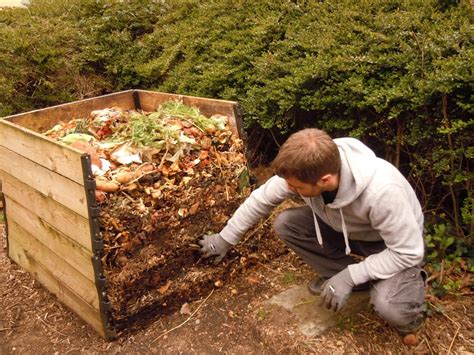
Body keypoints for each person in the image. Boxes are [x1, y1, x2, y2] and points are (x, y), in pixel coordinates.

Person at [199, 128, 426, 335]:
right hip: (349, 231)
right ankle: (355, 282)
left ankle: (407, 310)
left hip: (392, 245)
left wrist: (351, 275)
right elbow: (261, 199)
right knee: (287, 223)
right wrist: (224, 238)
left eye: (296, 188)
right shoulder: (307, 168)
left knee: (389, 305)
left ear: (325, 180)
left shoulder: (383, 192)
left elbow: (408, 251)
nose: (289, 190)